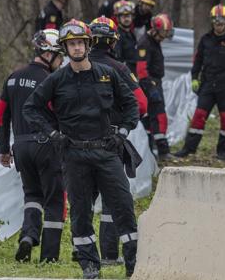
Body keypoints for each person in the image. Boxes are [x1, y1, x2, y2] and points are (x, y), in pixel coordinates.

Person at [23, 19, 139, 279]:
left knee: (123, 207)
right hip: (74, 156)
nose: (77, 48)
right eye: (71, 44)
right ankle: (90, 268)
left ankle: (133, 265)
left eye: (80, 43)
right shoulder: (57, 79)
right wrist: (53, 134)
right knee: (80, 213)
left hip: (107, 152)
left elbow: (132, 104)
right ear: (65, 48)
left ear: (88, 44)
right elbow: (31, 108)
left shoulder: (107, 74)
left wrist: (122, 132)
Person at [0, 29, 65, 263]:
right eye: (60, 55)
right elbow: (60, 113)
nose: (62, 61)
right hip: (46, 145)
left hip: (21, 147)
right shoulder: (51, 80)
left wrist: (4, 148)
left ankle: (28, 236)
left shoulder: (13, 77)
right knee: (55, 199)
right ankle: (49, 256)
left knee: (32, 196)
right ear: (49, 54)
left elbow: (0, 116)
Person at [87, 16, 148, 267]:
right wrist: (123, 124)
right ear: (113, 41)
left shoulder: (72, 69)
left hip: (76, 144)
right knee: (113, 200)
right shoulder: (119, 69)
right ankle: (110, 255)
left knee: (82, 202)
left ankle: (84, 253)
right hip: (110, 142)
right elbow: (142, 104)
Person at [174, 4, 225, 160]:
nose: (218, 25)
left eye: (221, 23)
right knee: (198, 117)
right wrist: (194, 78)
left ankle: (223, 152)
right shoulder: (205, 40)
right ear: (212, 22)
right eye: (216, 22)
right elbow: (197, 61)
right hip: (207, 84)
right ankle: (188, 149)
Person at [136, 13, 174, 160]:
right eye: (165, 31)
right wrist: (151, 89)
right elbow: (141, 70)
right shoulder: (145, 43)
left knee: (152, 118)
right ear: (157, 30)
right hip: (149, 84)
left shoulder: (154, 41)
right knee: (159, 117)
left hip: (154, 82)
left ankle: (152, 149)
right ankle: (162, 150)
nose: (166, 35)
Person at [113, 1, 139, 74]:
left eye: (128, 16)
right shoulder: (117, 36)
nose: (126, 19)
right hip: (125, 75)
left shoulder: (131, 33)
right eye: (123, 16)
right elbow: (117, 60)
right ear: (118, 18)